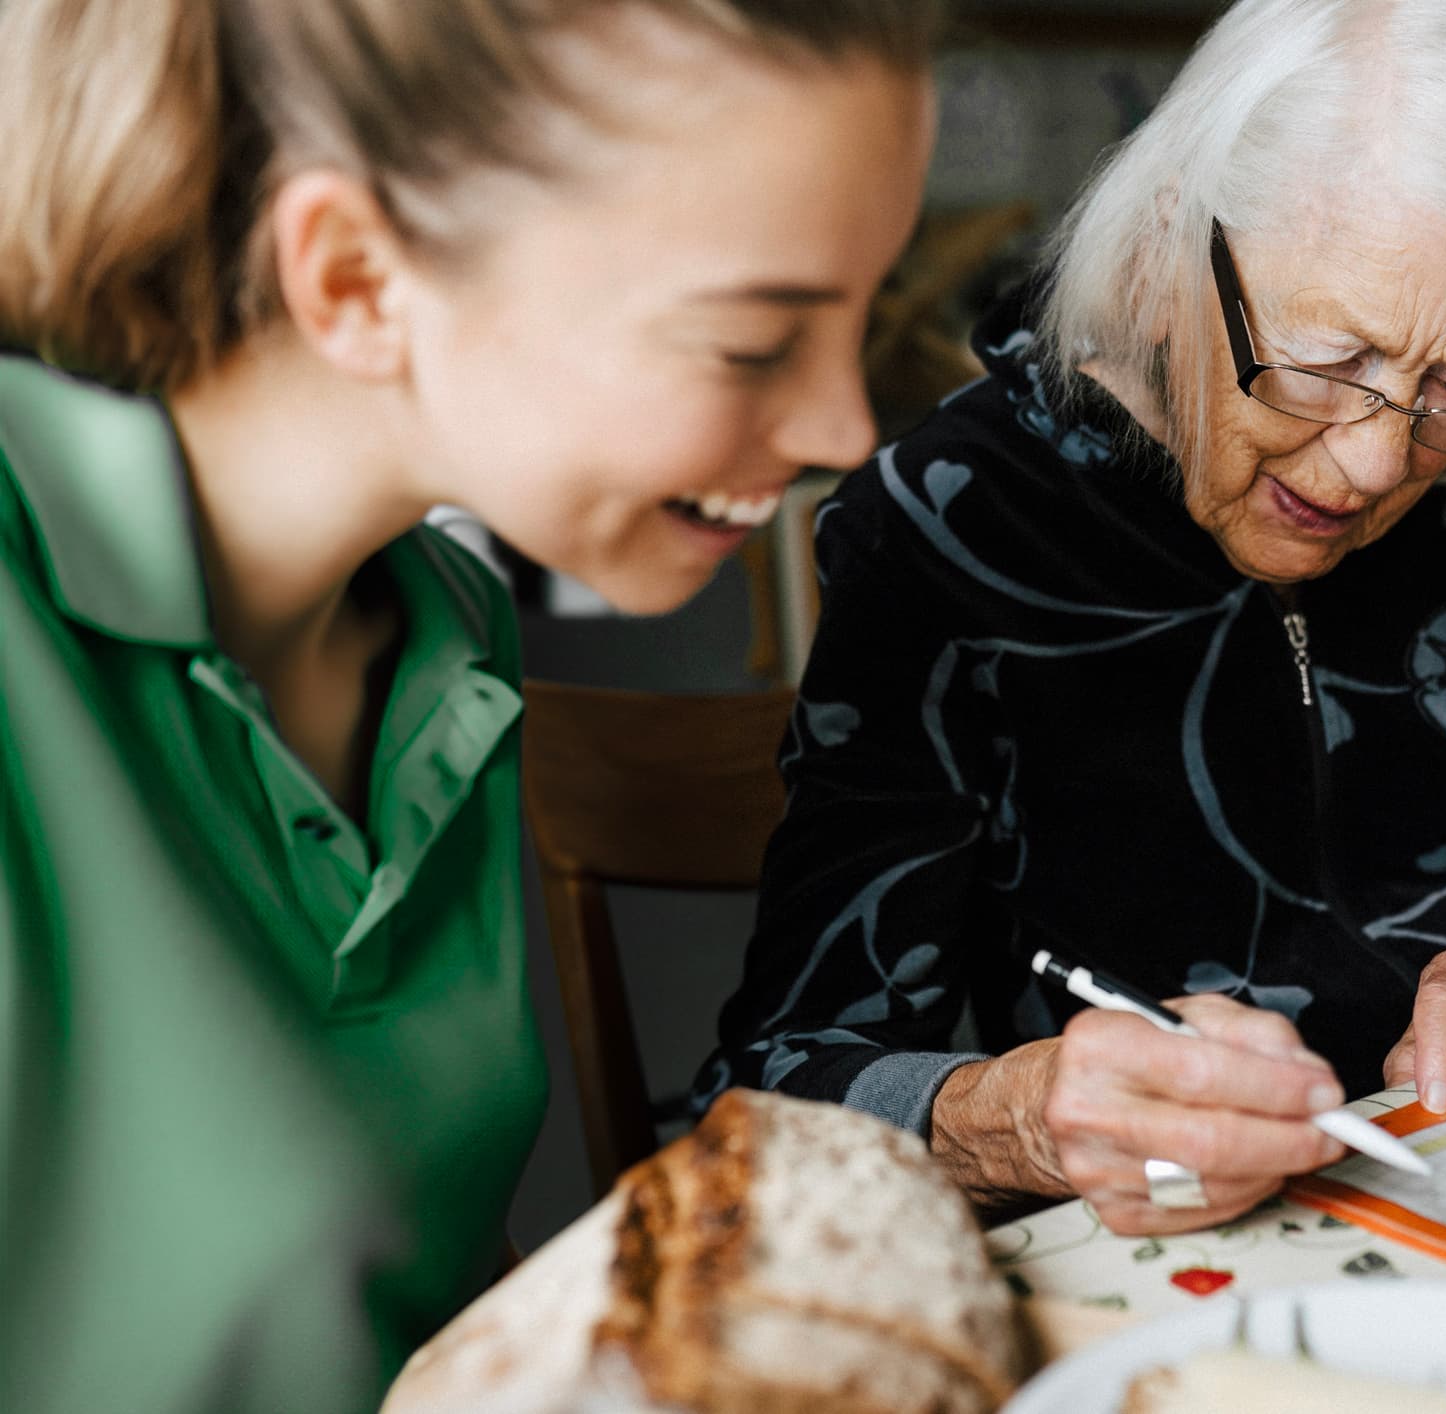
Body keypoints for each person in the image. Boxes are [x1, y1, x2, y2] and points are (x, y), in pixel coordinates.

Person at [0, 2, 936, 1410]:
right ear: (357, 279)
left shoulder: (451, 631)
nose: (844, 433)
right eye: (753, 342)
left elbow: (410, 1298)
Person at [701, 0, 1446, 1236]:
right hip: (1156, 1249)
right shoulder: (947, 523)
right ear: (1173, 243)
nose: (1383, 462)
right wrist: (1025, 1118)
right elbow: (775, 1088)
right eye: (1329, 360)